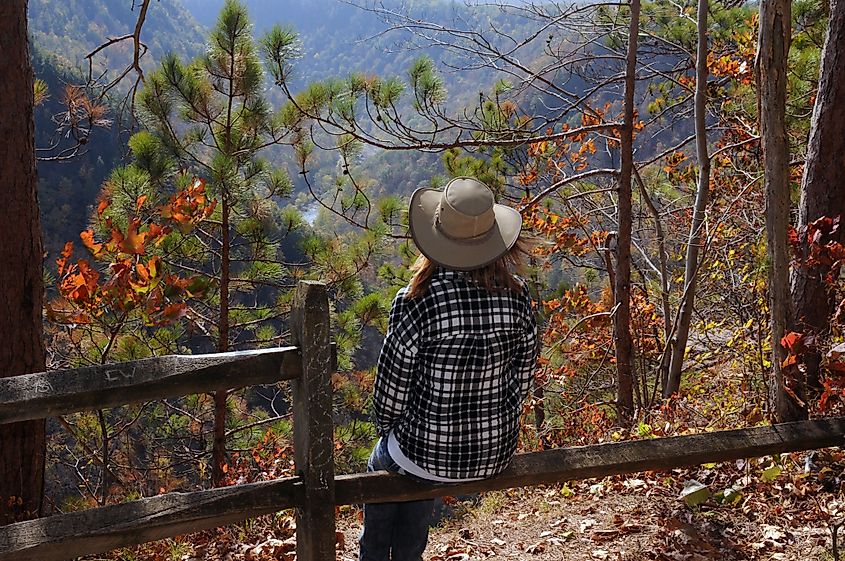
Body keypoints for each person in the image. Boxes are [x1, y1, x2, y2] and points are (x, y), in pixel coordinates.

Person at [359, 176, 540, 561]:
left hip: (425, 454)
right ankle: (408, 555)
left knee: (390, 460)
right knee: (417, 464)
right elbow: (522, 383)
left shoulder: (417, 300)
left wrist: (395, 429)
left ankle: (375, 555)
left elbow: (390, 395)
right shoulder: (518, 295)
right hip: (495, 452)